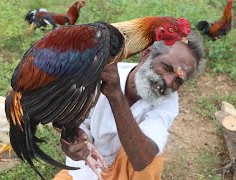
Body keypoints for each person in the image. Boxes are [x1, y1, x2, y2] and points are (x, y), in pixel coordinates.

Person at [53, 31, 205, 180]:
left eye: (178, 81)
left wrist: (115, 94)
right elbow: (77, 124)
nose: (168, 81)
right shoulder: (102, 74)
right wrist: (74, 141)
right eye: (166, 67)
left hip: (128, 171)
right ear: (146, 53)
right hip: (89, 166)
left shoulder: (168, 101)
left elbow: (142, 160)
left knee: (153, 157)